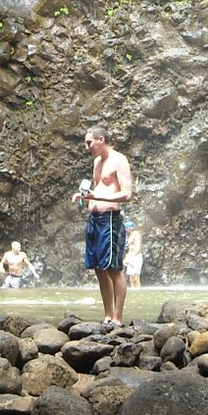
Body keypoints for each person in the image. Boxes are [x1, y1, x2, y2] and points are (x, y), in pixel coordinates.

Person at [79, 126, 133, 326]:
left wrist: (98, 196)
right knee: (99, 269)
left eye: (89, 142)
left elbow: (127, 194)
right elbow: (99, 188)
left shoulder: (119, 160)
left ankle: (118, 318)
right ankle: (108, 315)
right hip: (94, 219)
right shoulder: (97, 162)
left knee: (113, 268)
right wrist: (84, 197)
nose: (87, 147)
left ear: (101, 139)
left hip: (110, 219)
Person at [123, 220, 143, 289]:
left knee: (136, 277)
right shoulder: (129, 235)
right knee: (131, 278)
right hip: (131, 257)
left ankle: (138, 292)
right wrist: (127, 258)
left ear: (130, 228)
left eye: (126, 228)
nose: (125, 230)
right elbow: (130, 249)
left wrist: (132, 257)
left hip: (136, 257)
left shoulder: (136, 234)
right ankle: (133, 292)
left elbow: (138, 248)